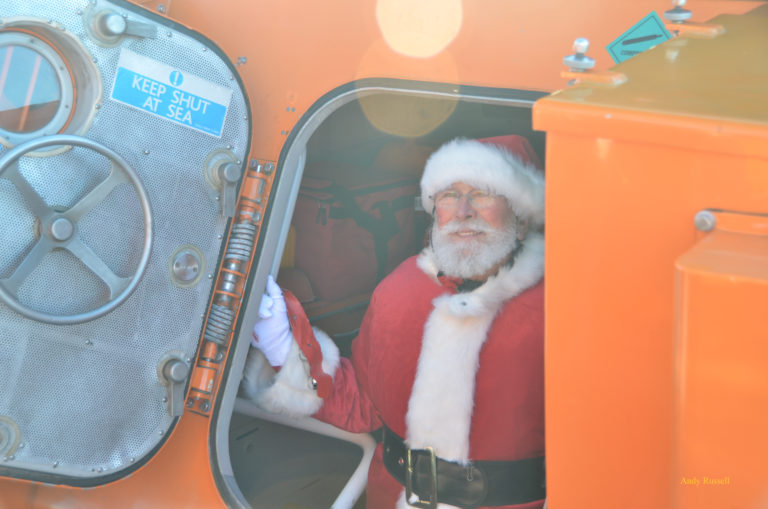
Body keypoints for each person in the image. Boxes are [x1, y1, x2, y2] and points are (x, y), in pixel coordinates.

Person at [241, 137, 546, 509]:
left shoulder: (563, 310)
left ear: (522, 216)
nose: (463, 210)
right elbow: (363, 405)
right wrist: (285, 350)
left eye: (483, 193)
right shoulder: (398, 290)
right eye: (449, 194)